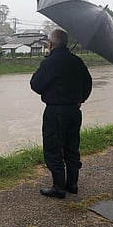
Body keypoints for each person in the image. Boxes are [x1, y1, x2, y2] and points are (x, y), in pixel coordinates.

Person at [30, 28, 92, 199]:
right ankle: (72, 184)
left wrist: (45, 64)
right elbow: (88, 82)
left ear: (50, 44)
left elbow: (36, 85)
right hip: (74, 110)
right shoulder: (77, 61)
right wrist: (81, 98)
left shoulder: (50, 62)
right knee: (72, 146)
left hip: (55, 111)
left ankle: (58, 187)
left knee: (53, 147)